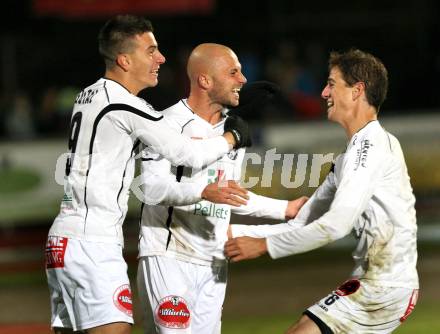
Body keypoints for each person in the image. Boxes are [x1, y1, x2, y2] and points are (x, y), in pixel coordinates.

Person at [44, 16, 251, 334]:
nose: (161, 58)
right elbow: (189, 154)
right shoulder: (126, 106)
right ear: (125, 60)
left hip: (64, 239)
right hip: (92, 242)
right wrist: (232, 136)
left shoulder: (89, 96)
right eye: (151, 51)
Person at [225, 49, 419, 334]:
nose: (324, 92)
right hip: (375, 282)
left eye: (332, 83)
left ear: (357, 91)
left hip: (385, 287)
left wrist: (265, 246)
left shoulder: (370, 148)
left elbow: (336, 225)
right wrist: (233, 234)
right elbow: (306, 219)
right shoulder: (351, 154)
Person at [136, 43, 308, 334]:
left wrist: (286, 209)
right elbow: (151, 188)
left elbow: (228, 193)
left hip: (213, 262)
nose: (243, 79)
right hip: (169, 256)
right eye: (233, 72)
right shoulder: (163, 123)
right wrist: (202, 191)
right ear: (205, 80)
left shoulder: (234, 131)